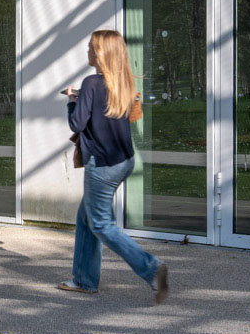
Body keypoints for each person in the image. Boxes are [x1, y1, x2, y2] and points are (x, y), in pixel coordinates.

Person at [59, 29, 169, 302]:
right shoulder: (123, 84)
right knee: (86, 218)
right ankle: (84, 280)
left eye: (90, 47)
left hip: (102, 165)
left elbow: (76, 124)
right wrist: (84, 96)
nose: (86, 51)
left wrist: (72, 100)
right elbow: (117, 114)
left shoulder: (91, 83)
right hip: (124, 160)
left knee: (101, 224)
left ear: (100, 53)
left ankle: (152, 269)